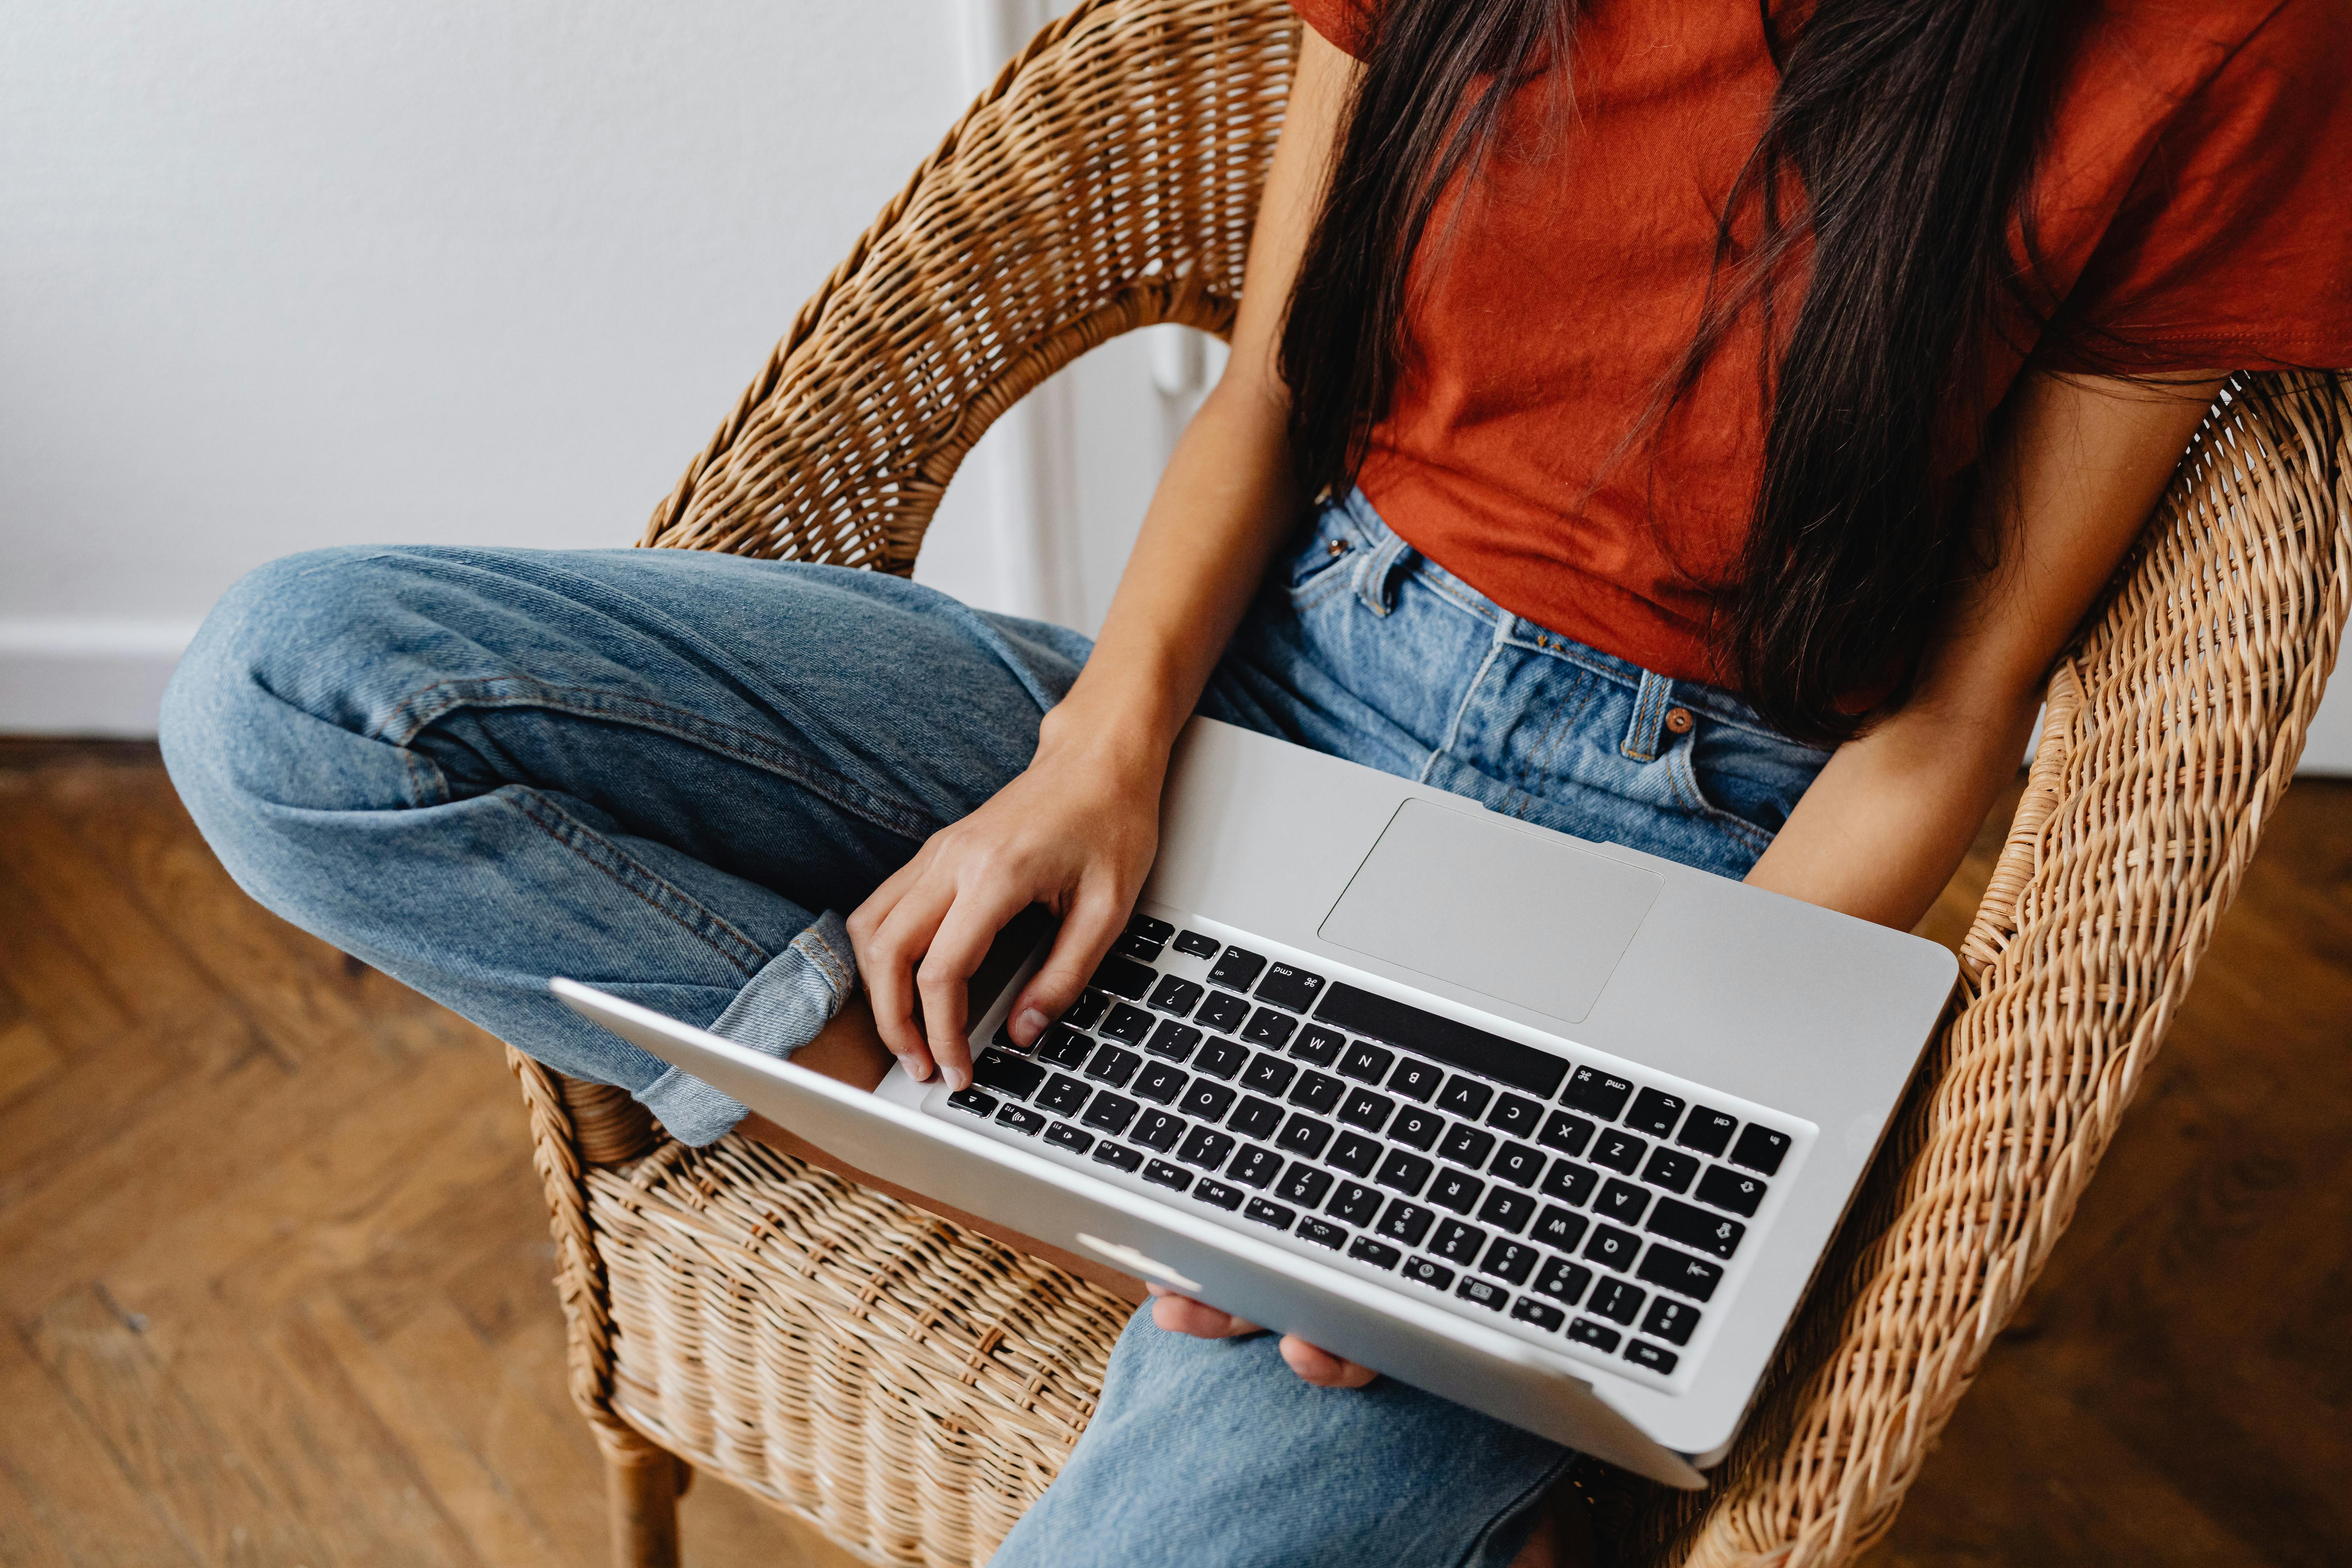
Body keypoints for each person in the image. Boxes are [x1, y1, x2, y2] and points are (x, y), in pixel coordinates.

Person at [160, 0, 2348, 1562]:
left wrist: (1569, 1118)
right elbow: (1268, 397)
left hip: (1681, 849)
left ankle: (1211, 1176)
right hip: (1261, 673)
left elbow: (1946, 724)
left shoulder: (2233, 38)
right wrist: (1098, 761)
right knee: (297, 690)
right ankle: (1048, 1154)